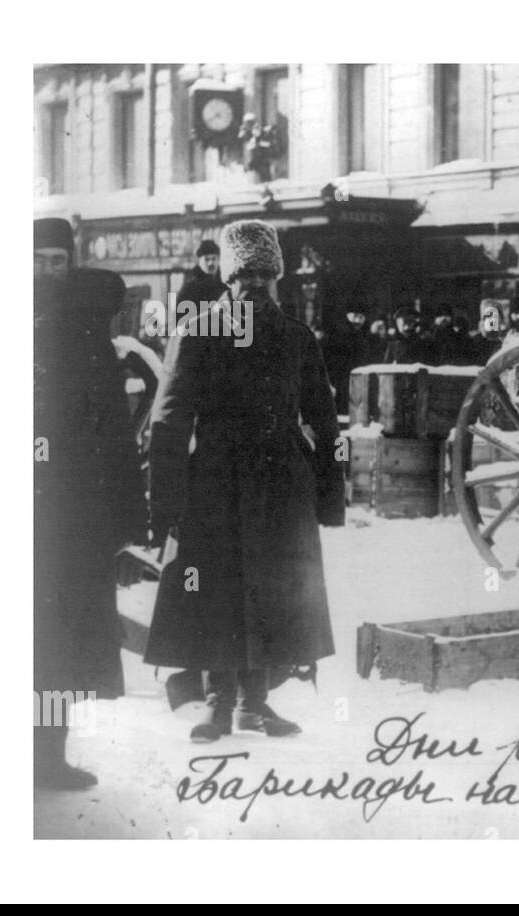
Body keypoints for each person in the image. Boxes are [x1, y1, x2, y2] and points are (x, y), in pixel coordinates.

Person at [144, 220, 345, 742]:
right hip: (215, 479)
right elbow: (168, 421)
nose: (254, 284)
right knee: (217, 589)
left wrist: (328, 495)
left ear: (275, 277)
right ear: (228, 277)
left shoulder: (296, 337)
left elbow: (324, 418)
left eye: (264, 273)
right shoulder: (196, 330)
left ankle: (256, 705)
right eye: (244, 274)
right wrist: (163, 504)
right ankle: (217, 702)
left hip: (282, 481)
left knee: (273, 591)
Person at [34, 219, 148, 789]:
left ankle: (45, 756)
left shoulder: (86, 334)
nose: (47, 271)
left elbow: (113, 431)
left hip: (68, 515)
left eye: (57, 260)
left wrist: (126, 514)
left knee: (59, 641)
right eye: (37, 260)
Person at [176, 239, 229, 308]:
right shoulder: (190, 289)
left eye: (214, 258)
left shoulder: (225, 284)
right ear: (199, 261)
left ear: (219, 260)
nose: (210, 263)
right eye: (206, 259)